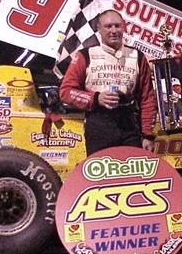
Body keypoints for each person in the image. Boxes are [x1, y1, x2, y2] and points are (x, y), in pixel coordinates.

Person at [59, 9, 156, 155]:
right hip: (98, 123)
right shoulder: (85, 55)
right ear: (99, 29)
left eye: (117, 26)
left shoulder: (137, 56)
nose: (113, 31)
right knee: (101, 175)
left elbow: (147, 97)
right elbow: (66, 92)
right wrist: (96, 98)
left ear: (124, 27)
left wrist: (147, 134)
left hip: (129, 123)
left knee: (132, 174)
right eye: (108, 26)